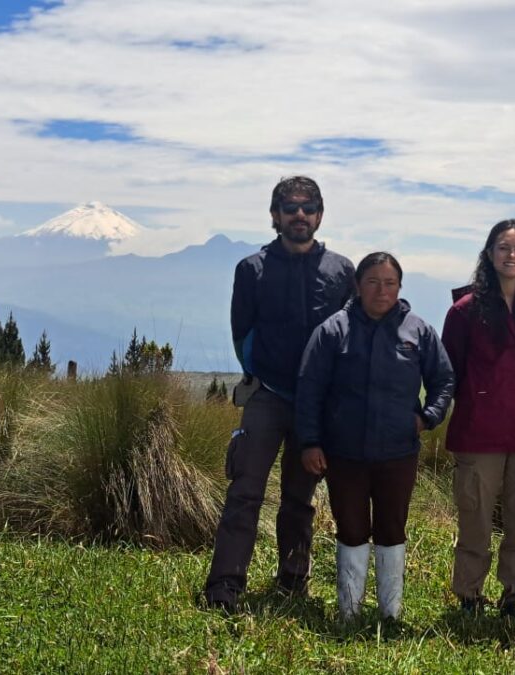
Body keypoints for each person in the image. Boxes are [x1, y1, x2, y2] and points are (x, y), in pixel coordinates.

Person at [203, 176, 355, 613]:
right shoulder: (251, 269)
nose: (299, 215)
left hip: (316, 403)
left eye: (308, 208)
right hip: (267, 396)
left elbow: (347, 336)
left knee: (299, 498)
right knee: (244, 492)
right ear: (275, 215)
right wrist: (258, 377)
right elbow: (242, 334)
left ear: (320, 215)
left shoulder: (341, 271)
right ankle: (224, 587)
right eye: (290, 207)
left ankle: (293, 578)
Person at [296, 252, 454, 622]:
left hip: (398, 451)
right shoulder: (333, 331)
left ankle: (391, 613)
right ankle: (349, 610)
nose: (381, 290)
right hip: (344, 453)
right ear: (357, 286)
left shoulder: (418, 331)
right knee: (351, 528)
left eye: (389, 283)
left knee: (391, 528)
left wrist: (428, 416)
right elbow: (309, 390)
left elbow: (444, 380)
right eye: (372, 282)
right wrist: (310, 442)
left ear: (400, 287)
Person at [441, 219, 515, 619]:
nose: (511, 255)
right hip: (479, 433)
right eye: (504, 247)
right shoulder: (464, 311)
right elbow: (448, 372)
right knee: (474, 521)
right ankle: (469, 596)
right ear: (489, 254)